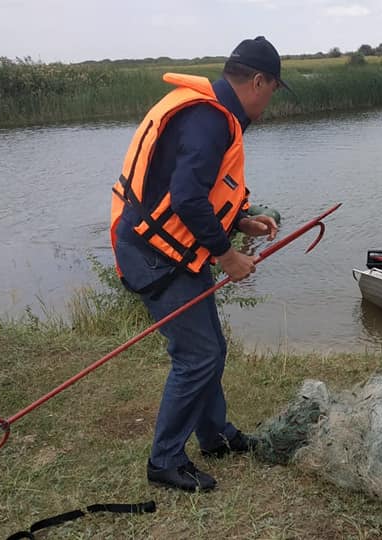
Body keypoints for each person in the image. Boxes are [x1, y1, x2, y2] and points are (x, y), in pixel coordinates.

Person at [110, 36, 288, 492]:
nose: (269, 101)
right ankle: (164, 460)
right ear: (258, 80)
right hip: (157, 257)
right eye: (272, 89)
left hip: (172, 251)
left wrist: (242, 220)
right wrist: (228, 257)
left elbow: (194, 190)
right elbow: (187, 198)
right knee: (197, 356)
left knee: (210, 350)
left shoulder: (210, 111)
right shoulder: (209, 118)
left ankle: (215, 436)